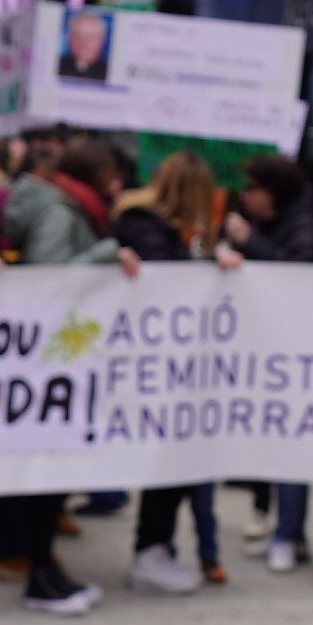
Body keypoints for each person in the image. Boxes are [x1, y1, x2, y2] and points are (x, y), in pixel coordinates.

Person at [0, 131, 122, 613]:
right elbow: (50, 271)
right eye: (110, 176)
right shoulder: (59, 210)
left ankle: (35, 561)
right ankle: (39, 571)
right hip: (50, 354)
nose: (115, 187)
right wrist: (105, 253)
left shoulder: (61, 204)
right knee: (46, 468)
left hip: (54, 352)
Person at [119, 152, 226, 594]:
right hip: (147, 363)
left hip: (157, 364)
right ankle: (151, 549)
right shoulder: (147, 230)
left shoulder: (143, 225)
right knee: (167, 459)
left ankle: (157, 547)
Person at [223, 153, 313, 571]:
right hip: (266, 345)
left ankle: (287, 532)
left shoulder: (305, 223)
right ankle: (282, 528)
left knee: (290, 445)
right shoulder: (268, 223)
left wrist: (250, 243)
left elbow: (299, 275)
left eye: (253, 189)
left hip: (294, 348)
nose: (246, 197)